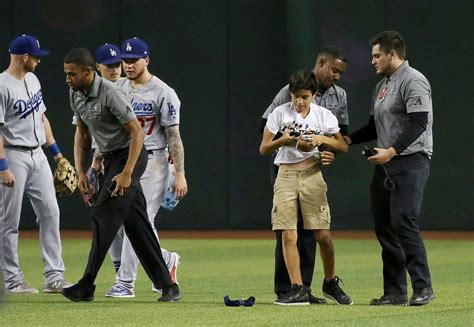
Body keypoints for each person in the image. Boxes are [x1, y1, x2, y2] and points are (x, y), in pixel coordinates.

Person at [61, 48, 180, 302]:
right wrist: (81, 170)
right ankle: (168, 285)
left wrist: (127, 173)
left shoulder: (110, 93)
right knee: (137, 225)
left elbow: (137, 133)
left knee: (102, 214)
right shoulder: (75, 94)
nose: (67, 79)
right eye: (66, 74)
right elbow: (82, 134)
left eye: (72, 74)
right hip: (111, 158)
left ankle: (87, 284)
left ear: (87, 72)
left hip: (131, 156)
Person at [345, 31, 435, 306]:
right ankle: (395, 292)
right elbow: (374, 127)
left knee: (403, 219)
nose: (372, 61)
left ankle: (423, 287)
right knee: (384, 226)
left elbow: (419, 122)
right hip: (385, 163)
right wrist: (347, 140)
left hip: (410, 159)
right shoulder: (382, 85)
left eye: (376, 55)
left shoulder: (413, 80)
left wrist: (392, 151)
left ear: (392, 54)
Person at [260, 47, 352, 305]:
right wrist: (286, 141)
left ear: (313, 96)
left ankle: (315, 285)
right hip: (285, 169)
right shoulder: (284, 101)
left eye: (341, 72)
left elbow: (341, 139)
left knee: (317, 233)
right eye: (334, 70)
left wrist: (327, 149)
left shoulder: (335, 100)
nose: (337, 76)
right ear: (320, 63)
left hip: (312, 170)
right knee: (287, 231)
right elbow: (265, 136)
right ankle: (290, 288)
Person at [105, 37, 187, 298]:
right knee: (124, 223)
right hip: (124, 160)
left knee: (137, 221)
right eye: (125, 61)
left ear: (146, 60)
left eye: (133, 60)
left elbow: (173, 135)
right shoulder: (117, 87)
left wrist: (180, 173)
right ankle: (164, 261)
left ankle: (125, 283)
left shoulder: (163, 91)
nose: (128, 65)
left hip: (153, 161)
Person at [0, 34, 72, 294]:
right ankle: (12, 280)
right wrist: (2, 166)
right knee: (9, 222)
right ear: (24, 57)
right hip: (13, 155)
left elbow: (42, 117)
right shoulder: (2, 86)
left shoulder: (33, 79)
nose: (39, 61)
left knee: (51, 213)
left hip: (38, 155)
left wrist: (57, 154)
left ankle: (54, 277)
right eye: (37, 57)